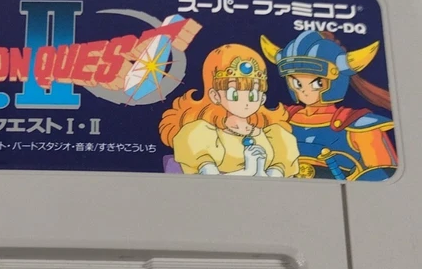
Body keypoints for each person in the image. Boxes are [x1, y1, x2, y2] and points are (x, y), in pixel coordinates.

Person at [260, 29, 396, 181]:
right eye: (297, 83)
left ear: (335, 81)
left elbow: (383, 175)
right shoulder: (280, 117)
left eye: (317, 83)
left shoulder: (358, 125)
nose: (305, 90)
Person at [159, 43, 299, 177]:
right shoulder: (200, 134)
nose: (245, 102)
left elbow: (277, 182)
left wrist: (261, 173)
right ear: (215, 96)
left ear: (262, 98)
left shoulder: (276, 136)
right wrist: (248, 172)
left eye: (253, 95)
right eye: (234, 94)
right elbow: (209, 183)